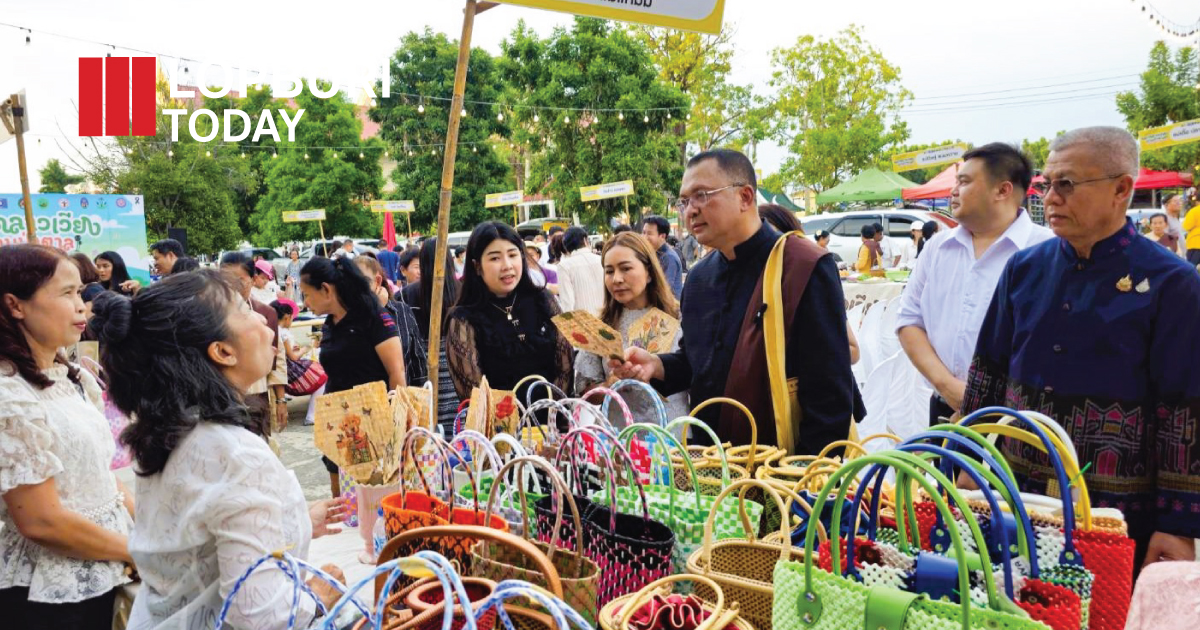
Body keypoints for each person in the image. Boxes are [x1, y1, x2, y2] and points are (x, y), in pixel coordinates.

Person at [961, 126, 1200, 570]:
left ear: (1121, 189)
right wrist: (967, 461)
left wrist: (1178, 524)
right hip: (1013, 497)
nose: (1051, 198)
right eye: (1047, 184)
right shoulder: (1024, 268)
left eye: (1067, 184)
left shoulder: (1173, 284)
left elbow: (1185, 410)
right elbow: (988, 375)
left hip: (1114, 517)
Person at [90, 271, 346, 629]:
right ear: (222, 351)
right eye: (244, 310)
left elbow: (200, 543)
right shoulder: (235, 454)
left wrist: (297, 520)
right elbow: (258, 615)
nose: (261, 317)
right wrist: (317, 596)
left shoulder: (172, 432)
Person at [612, 149, 854, 455]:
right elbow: (696, 364)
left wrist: (804, 484)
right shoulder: (699, 278)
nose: (690, 210)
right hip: (709, 466)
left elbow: (829, 395)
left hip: (780, 469)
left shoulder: (802, 265)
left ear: (745, 197)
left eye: (702, 195)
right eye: (684, 201)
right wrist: (657, 365)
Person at [0, 244, 134, 628]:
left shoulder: (69, 376)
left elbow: (101, 478)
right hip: (48, 592)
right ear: (15, 305)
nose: (81, 306)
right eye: (66, 293)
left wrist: (144, 534)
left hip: (103, 567)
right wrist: (138, 551)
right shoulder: (10, 396)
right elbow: (41, 521)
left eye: (80, 292)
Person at [895, 142, 1053, 425]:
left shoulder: (1048, 251)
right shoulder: (938, 248)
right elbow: (908, 320)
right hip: (946, 407)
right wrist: (949, 388)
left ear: (1002, 190)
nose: (953, 191)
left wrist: (986, 403)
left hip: (1020, 420)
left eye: (964, 182)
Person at [300, 256, 406, 497]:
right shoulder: (329, 324)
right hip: (339, 423)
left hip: (375, 422)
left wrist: (395, 424)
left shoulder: (373, 317)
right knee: (344, 503)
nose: (305, 302)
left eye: (307, 294)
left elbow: (396, 371)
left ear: (326, 289)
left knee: (378, 496)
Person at [446, 222, 572, 403]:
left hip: (553, 422)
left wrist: (552, 413)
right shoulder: (463, 319)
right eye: (495, 258)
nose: (507, 265)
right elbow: (473, 393)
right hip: (500, 428)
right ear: (477, 266)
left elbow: (565, 365)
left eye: (513, 255)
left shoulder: (544, 299)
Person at [576, 232, 688, 422]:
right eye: (609, 271)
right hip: (619, 438)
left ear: (650, 273)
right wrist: (611, 383)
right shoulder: (600, 326)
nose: (617, 279)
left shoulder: (680, 317)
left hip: (671, 434)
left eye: (625, 268)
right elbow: (586, 392)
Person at [219, 253, 286, 437]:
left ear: (253, 279)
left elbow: (278, 359)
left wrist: (281, 401)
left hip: (258, 395)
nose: (233, 286)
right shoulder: (211, 315)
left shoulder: (267, 313)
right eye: (226, 280)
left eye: (239, 280)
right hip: (222, 398)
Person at [406, 238, 462, 430]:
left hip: (422, 367)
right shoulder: (464, 292)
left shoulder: (407, 294)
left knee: (429, 428)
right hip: (458, 364)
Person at [354, 256, 427, 391]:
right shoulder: (345, 318)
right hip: (360, 403)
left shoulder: (401, 311)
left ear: (377, 281)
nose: (357, 288)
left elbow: (417, 360)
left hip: (401, 399)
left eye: (363, 281)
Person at [270, 299, 325, 427]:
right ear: (287, 317)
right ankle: (311, 415)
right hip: (290, 370)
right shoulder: (282, 333)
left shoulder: (274, 330)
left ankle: (313, 413)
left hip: (286, 368)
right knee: (322, 377)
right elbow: (294, 357)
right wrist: (306, 348)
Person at [555, 226, 606, 315]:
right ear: (585, 240)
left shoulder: (564, 266)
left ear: (566, 246)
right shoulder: (602, 259)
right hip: (608, 318)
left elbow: (568, 303)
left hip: (584, 324)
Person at [641, 216, 685, 299]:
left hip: (668, 309)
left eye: (649, 233)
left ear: (662, 236)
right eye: (643, 232)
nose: (644, 237)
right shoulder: (654, 253)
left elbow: (664, 288)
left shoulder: (669, 257)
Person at [1182, 192, 1200, 265]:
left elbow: (1186, 226)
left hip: (1195, 243)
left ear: (1197, 201)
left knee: (1191, 267)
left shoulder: (1194, 211)